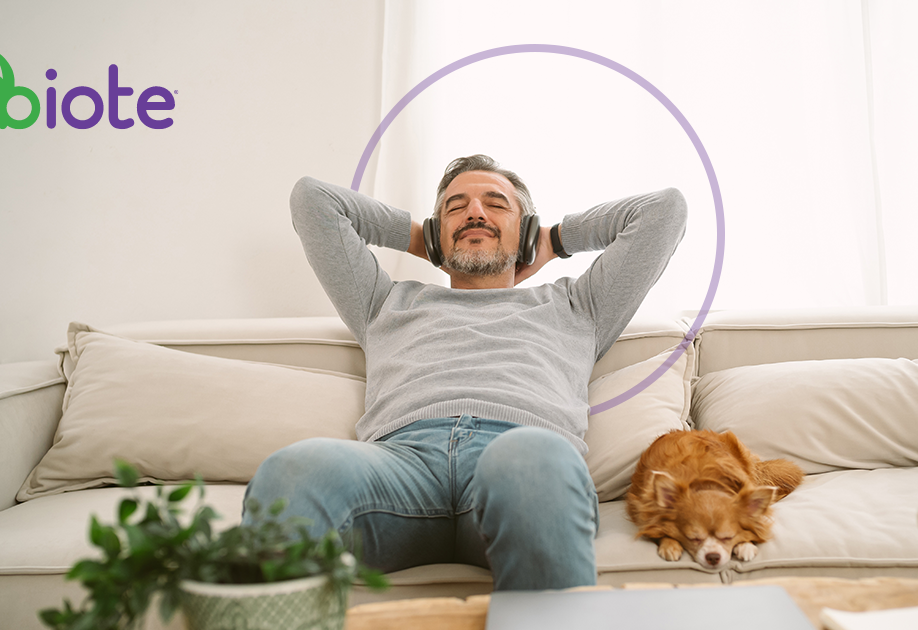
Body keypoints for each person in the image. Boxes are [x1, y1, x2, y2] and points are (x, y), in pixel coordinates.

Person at [244, 154, 687, 590]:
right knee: (293, 470)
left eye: (496, 205)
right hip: (400, 467)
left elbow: (664, 211)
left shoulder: (579, 306)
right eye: (455, 208)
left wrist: (554, 240)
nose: (475, 212)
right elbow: (313, 200)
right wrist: (420, 237)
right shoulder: (383, 302)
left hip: (520, 462)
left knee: (530, 458)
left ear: (526, 229)